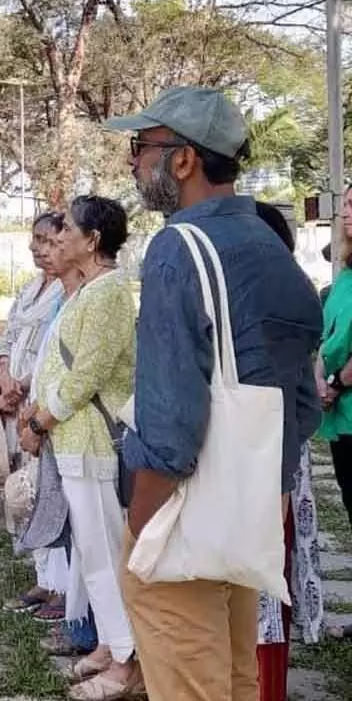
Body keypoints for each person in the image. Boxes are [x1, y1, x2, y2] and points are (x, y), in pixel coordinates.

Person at [109, 87, 322, 701]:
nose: (133, 162)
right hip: (248, 507)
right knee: (235, 678)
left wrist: (141, 524)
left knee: (189, 683)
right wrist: (270, 491)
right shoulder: (270, 247)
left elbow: (170, 420)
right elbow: (301, 402)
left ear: (183, 160)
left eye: (141, 147)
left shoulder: (178, 248)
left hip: (182, 508)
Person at [18, 195, 141, 701]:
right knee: (92, 551)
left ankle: (127, 659)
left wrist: (42, 420)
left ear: (92, 241)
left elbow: (86, 373)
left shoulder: (109, 291)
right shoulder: (86, 291)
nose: (57, 237)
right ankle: (112, 645)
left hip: (89, 437)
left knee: (105, 551)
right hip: (71, 437)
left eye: (67, 228)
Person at [253, 200, 326, 701]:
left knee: (266, 583)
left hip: (269, 461)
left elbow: (304, 393)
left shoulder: (281, 299)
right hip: (254, 459)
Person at [0, 212, 70, 619]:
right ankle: (43, 577)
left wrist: (22, 384)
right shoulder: (28, 289)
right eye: (34, 239)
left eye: (47, 240)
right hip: (15, 399)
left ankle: (63, 586)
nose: (38, 248)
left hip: (42, 401)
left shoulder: (68, 290)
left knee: (49, 490)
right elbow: (6, 335)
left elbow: (54, 352)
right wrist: (5, 375)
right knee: (24, 486)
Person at [315, 186, 352, 642]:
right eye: (345, 203)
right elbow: (328, 336)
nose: (347, 212)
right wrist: (321, 378)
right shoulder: (342, 276)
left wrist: (338, 381)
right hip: (342, 416)